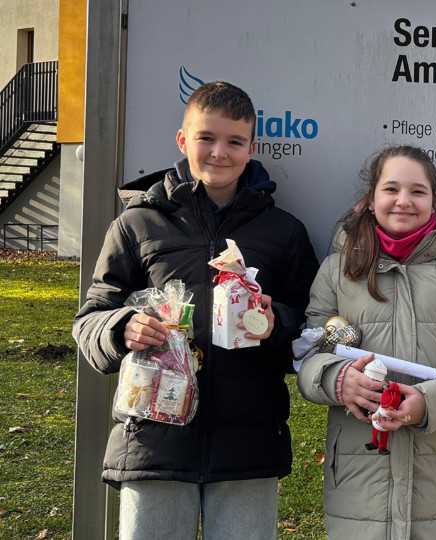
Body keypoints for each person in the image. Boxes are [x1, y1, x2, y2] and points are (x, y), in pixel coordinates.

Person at [73, 81, 320, 540]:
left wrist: (275, 322)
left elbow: (312, 323)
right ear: (183, 140)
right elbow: (90, 317)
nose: (219, 152)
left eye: (234, 141)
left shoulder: (284, 231)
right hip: (152, 440)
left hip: (248, 443)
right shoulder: (137, 222)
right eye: (206, 138)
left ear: (251, 149)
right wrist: (120, 328)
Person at [295, 145, 436, 539]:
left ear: (434, 201)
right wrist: (336, 380)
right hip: (358, 480)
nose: (403, 201)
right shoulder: (338, 268)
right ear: (370, 200)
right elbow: (308, 353)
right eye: (391, 189)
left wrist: (430, 402)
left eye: (418, 191)